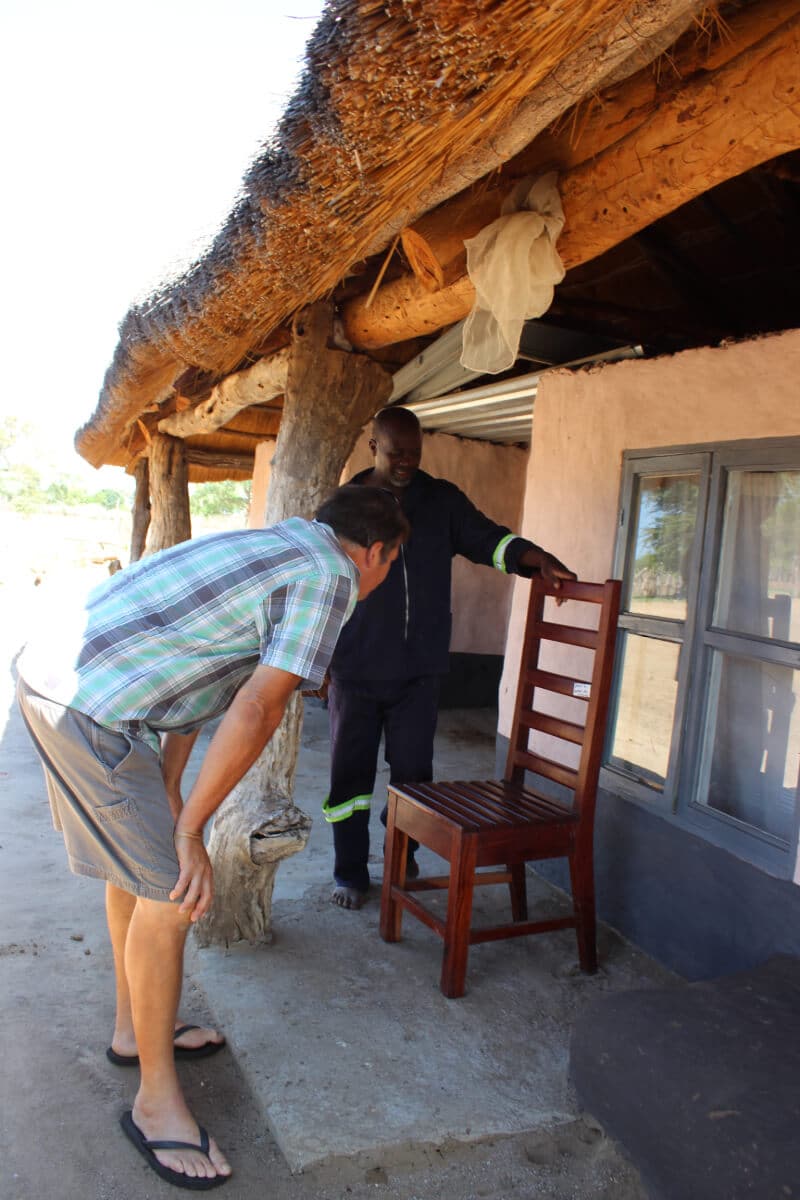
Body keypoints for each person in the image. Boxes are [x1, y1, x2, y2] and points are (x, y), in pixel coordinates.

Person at [15, 485, 408, 1191]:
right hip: (89, 707)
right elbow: (257, 707)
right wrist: (193, 829)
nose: (383, 576)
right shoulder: (331, 577)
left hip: (66, 683)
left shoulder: (280, 544)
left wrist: (173, 795)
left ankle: (133, 1032)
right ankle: (155, 1105)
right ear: (375, 552)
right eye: (392, 563)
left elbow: (200, 679)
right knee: (173, 893)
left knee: (141, 873)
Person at [324, 406, 576, 910]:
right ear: (374, 447)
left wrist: (535, 559)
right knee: (349, 779)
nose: (406, 462)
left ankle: (403, 857)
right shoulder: (344, 508)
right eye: (396, 453)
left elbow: (489, 538)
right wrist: (317, 660)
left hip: (420, 671)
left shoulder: (440, 501)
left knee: (413, 775)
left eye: (414, 453)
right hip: (355, 670)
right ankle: (349, 872)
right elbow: (322, 585)